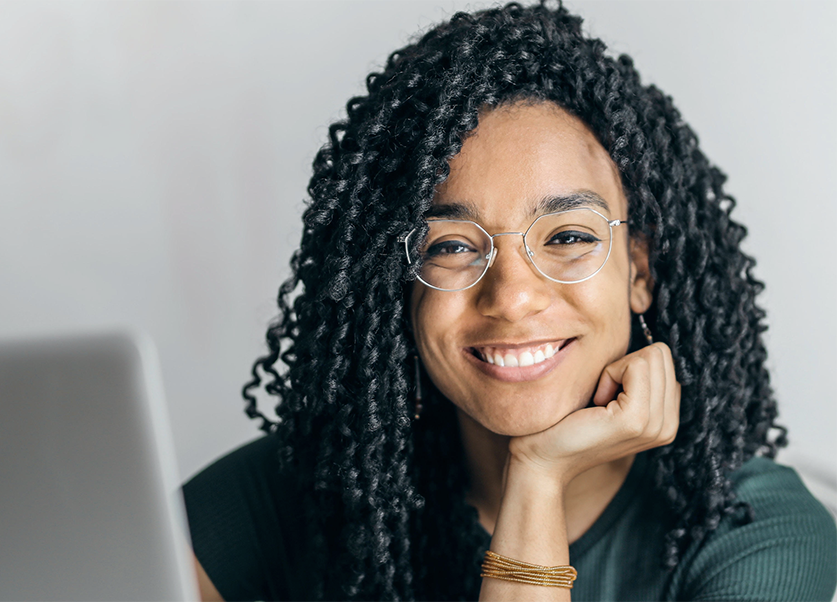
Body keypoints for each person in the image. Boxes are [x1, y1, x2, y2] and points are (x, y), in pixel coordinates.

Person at [182, 2, 837, 601]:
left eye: (570, 236)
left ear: (639, 269)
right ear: (401, 281)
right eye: (452, 246)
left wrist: (538, 476)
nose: (513, 296)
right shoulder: (306, 490)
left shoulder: (756, 533)